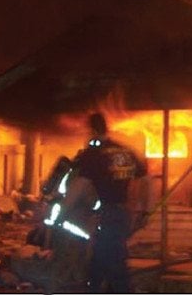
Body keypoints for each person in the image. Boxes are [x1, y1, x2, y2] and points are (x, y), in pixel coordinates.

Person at [67, 112, 150, 293]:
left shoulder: (94, 155)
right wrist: (144, 210)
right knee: (101, 254)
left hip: (108, 213)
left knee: (113, 258)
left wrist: (65, 209)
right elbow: (146, 179)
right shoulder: (124, 151)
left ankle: (121, 290)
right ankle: (94, 287)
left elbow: (80, 185)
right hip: (124, 212)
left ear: (92, 130)